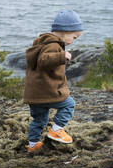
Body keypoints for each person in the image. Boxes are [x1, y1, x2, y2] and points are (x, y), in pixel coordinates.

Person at [24, 9, 83, 153]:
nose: (73, 41)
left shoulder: (42, 43)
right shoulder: (53, 46)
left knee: (39, 120)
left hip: (35, 94)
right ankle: (56, 130)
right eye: (74, 37)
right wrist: (62, 56)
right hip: (47, 92)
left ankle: (32, 145)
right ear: (65, 32)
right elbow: (44, 61)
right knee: (69, 104)